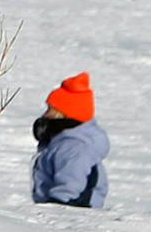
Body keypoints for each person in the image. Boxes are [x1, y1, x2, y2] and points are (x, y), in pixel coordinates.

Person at [31, 72, 109, 208]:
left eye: (50, 109)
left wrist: (56, 207)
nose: (45, 115)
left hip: (73, 212)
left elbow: (71, 186)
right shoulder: (61, 142)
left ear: (64, 115)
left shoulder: (73, 147)